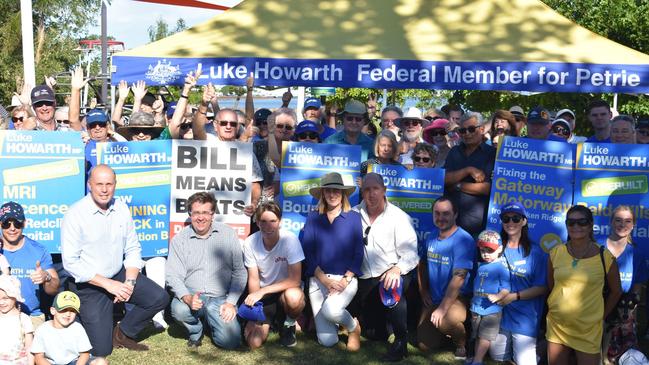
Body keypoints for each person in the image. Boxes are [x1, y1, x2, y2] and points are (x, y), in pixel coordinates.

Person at [61, 164, 169, 356]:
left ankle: (122, 332)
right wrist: (109, 285)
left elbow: (133, 248)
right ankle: (78, 320)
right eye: (99, 184)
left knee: (159, 298)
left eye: (109, 184)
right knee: (101, 351)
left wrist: (129, 282)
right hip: (90, 284)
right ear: (89, 185)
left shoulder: (121, 208)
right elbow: (71, 263)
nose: (104, 189)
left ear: (115, 185)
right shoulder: (75, 214)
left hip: (118, 275)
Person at [166, 191, 246, 350]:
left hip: (220, 298)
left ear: (212, 214)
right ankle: (195, 330)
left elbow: (240, 271)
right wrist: (187, 298)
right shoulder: (180, 239)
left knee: (230, 342)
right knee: (179, 309)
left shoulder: (228, 234)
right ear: (190, 214)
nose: (200, 217)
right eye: (196, 213)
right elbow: (172, 275)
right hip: (193, 295)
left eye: (205, 212)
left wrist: (230, 303)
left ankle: (212, 321)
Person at [351, 173, 418, 361]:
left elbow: (411, 253)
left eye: (375, 189)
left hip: (392, 273)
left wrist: (396, 269)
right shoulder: (353, 214)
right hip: (365, 278)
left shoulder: (399, 217)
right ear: (362, 192)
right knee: (373, 333)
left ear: (384, 191)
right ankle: (382, 326)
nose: (371, 194)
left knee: (393, 289)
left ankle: (400, 342)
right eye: (367, 189)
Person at [546, 205, 622, 365]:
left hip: (588, 330)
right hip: (557, 325)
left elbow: (616, 291)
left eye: (582, 222)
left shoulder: (605, 257)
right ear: (566, 225)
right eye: (571, 222)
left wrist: (601, 315)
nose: (576, 226)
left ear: (590, 225)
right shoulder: (555, 253)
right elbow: (552, 286)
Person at [300, 172, 363, 349]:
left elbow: (358, 253)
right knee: (328, 341)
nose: (332, 194)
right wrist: (325, 281)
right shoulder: (313, 217)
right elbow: (308, 252)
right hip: (318, 281)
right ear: (322, 194)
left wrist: (345, 279)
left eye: (336, 190)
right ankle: (335, 322)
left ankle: (353, 327)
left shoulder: (354, 218)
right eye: (328, 191)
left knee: (331, 310)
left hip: (345, 280)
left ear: (343, 194)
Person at [489, 202, 548, 365]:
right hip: (499, 315)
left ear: (524, 221)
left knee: (525, 363)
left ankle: (542, 346)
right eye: (506, 219)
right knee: (497, 356)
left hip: (525, 318)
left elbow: (542, 287)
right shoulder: (494, 248)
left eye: (516, 218)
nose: (510, 223)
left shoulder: (536, 252)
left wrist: (514, 297)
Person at [417, 197, 476, 360]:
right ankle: (446, 333)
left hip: (458, 298)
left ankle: (461, 343)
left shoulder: (464, 239)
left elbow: (459, 277)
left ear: (455, 215)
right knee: (424, 345)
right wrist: (423, 291)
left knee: (445, 319)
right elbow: (421, 264)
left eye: (446, 214)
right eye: (437, 213)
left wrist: (442, 308)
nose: (440, 218)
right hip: (434, 299)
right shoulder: (431, 236)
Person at [242, 201, 305, 349]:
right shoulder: (250, 242)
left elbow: (295, 280)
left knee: (294, 297)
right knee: (253, 343)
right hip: (265, 299)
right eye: (263, 221)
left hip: (285, 293)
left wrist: (262, 291)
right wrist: (254, 314)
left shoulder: (290, 240)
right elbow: (253, 278)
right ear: (257, 222)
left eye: (272, 221)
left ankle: (289, 324)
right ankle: (271, 322)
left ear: (280, 222)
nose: (268, 226)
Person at [1, 201, 60, 328]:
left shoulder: (38, 250)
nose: (12, 228)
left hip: (32, 317)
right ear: (0, 224)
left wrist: (46, 278)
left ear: (24, 223)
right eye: (7, 223)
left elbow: (54, 289)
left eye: (17, 223)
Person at [603, 206, 647, 362]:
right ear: (611, 222)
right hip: (593, 312)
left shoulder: (637, 254)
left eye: (628, 221)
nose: (623, 224)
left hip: (621, 317)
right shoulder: (596, 248)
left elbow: (636, 294)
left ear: (633, 225)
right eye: (618, 220)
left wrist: (629, 323)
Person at [444, 112, 496, 237]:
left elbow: (487, 188)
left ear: (482, 129)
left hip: (477, 225)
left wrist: (457, 185)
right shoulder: (454, 151)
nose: (467, 134)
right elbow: (444, 180)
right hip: (451, 223)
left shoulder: (492, 154)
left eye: (471, 129)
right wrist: (468, 170)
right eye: (462, 130)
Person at [31, 291, 108, 365]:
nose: (68, 314)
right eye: (64, 310)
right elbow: (39, 357)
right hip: (52, 363)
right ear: (53, 310)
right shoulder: (42, 329)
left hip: (75, 361)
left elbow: (85, 354)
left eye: (72, 311)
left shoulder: (77, 328)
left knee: (101, 362)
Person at [468, 230, 510, 365]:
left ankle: (478, 360)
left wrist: (498, 296)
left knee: (485, 337)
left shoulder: (501, 268)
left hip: (492, 309)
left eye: (490, 250)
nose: (485, 253)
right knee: (476, 335)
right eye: (482, 250)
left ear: (500, 249)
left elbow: (506, 288)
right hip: (477, 306)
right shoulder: (481, 266)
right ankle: (476, 358)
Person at [0, 275, 34, 365]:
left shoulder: (23, 319)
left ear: (15, 296)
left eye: (5, 298)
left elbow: (29, 347)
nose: (1, 302)